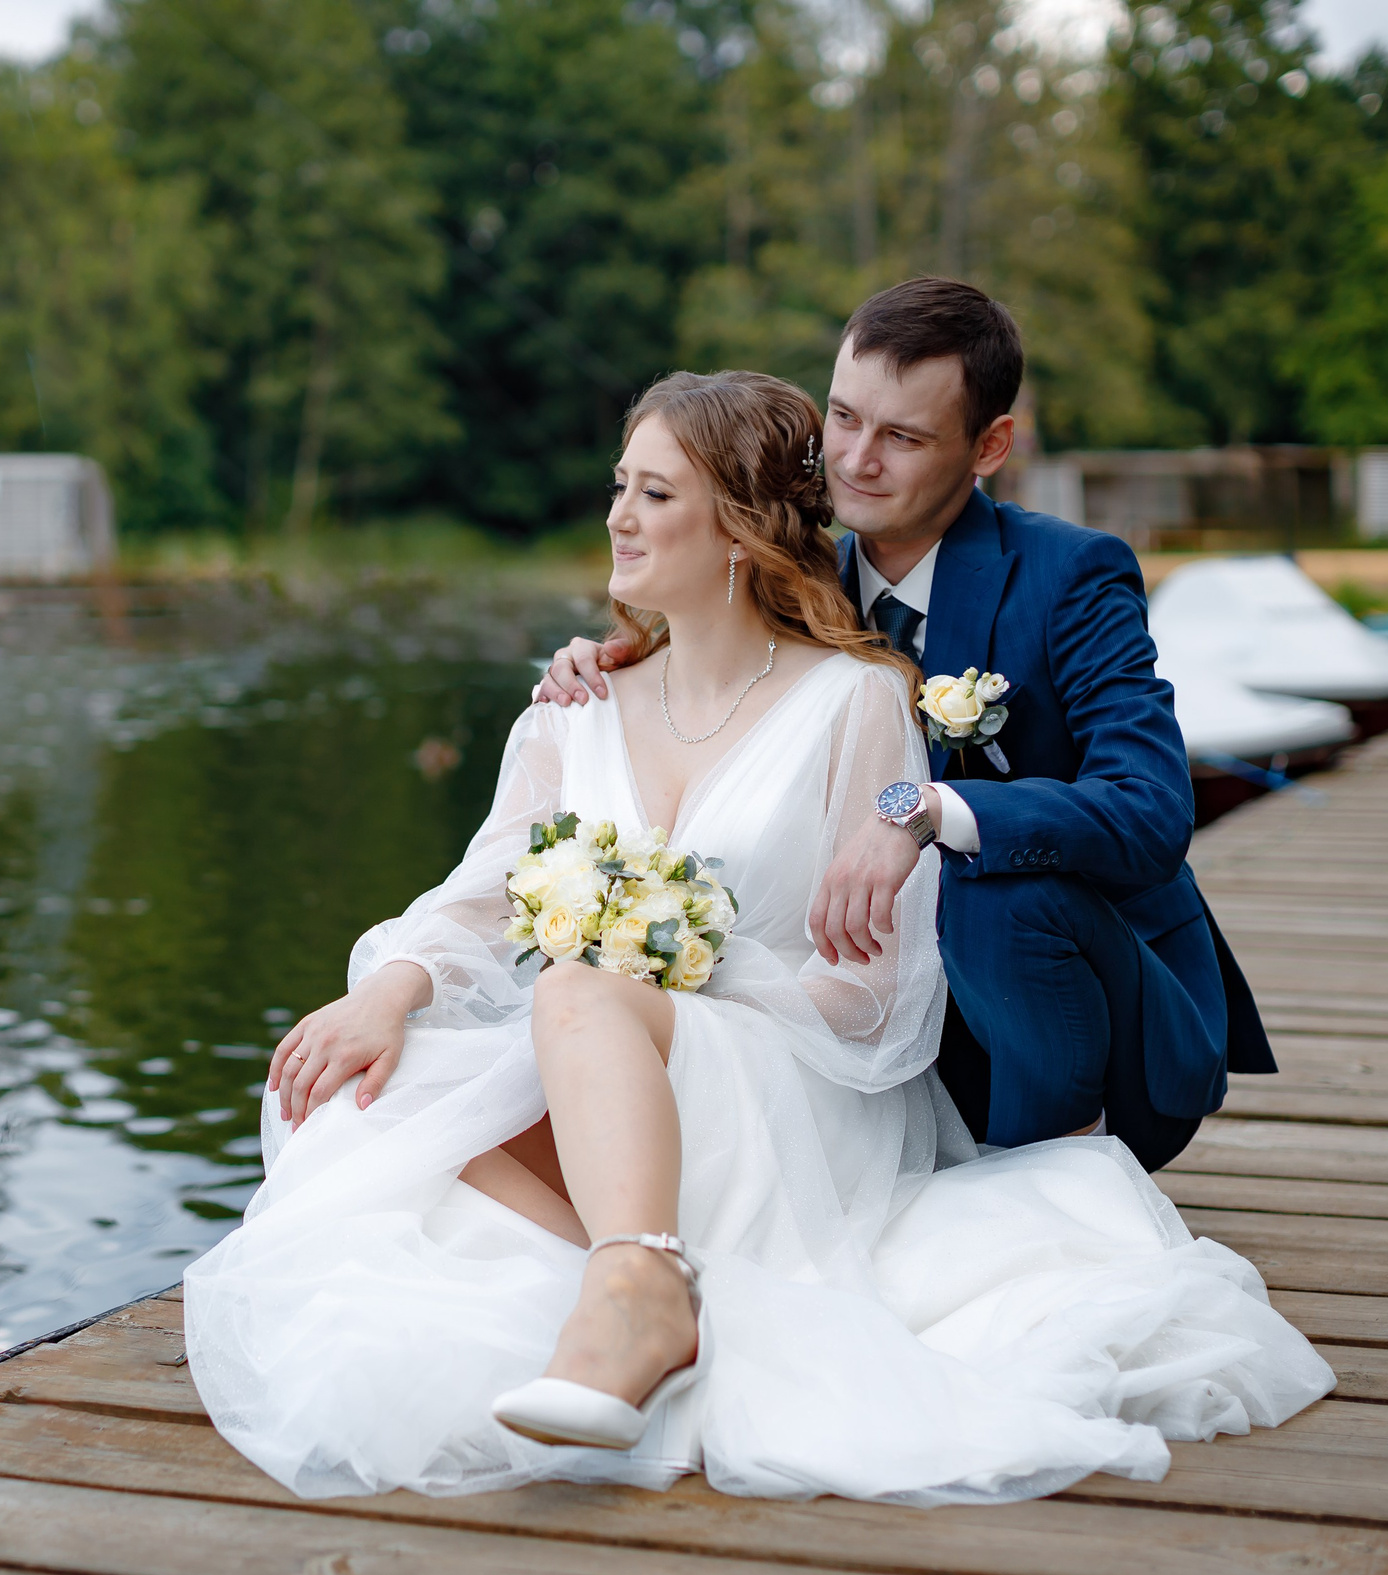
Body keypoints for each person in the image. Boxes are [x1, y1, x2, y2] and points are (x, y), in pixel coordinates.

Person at [182, 369, 1329, 1505]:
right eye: (619, 487)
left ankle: (639, 1293)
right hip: (608, 1052)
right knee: (362, 1098)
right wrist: (389, 991)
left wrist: (679, 988)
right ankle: (655, 1270)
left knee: (577, 994)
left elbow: (880, 1005)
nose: (620, 517)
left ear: (736, 530)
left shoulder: (856, 701)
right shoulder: (572, 705)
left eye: (658, 495)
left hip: (789, 1080)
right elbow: (477, 896)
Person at [538, 278, 1273, 1172]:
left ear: (989, 445)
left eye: (903, 437)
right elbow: (706, 644)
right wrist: (619, 659)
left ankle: (1056, 1181)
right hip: (887, 1050)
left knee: (989, 883)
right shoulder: (798, 587)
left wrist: (926, 809)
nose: (855, 460)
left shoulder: (1070, 576)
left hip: (1100, 1043)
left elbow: (1151, 810)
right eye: (843, 419)